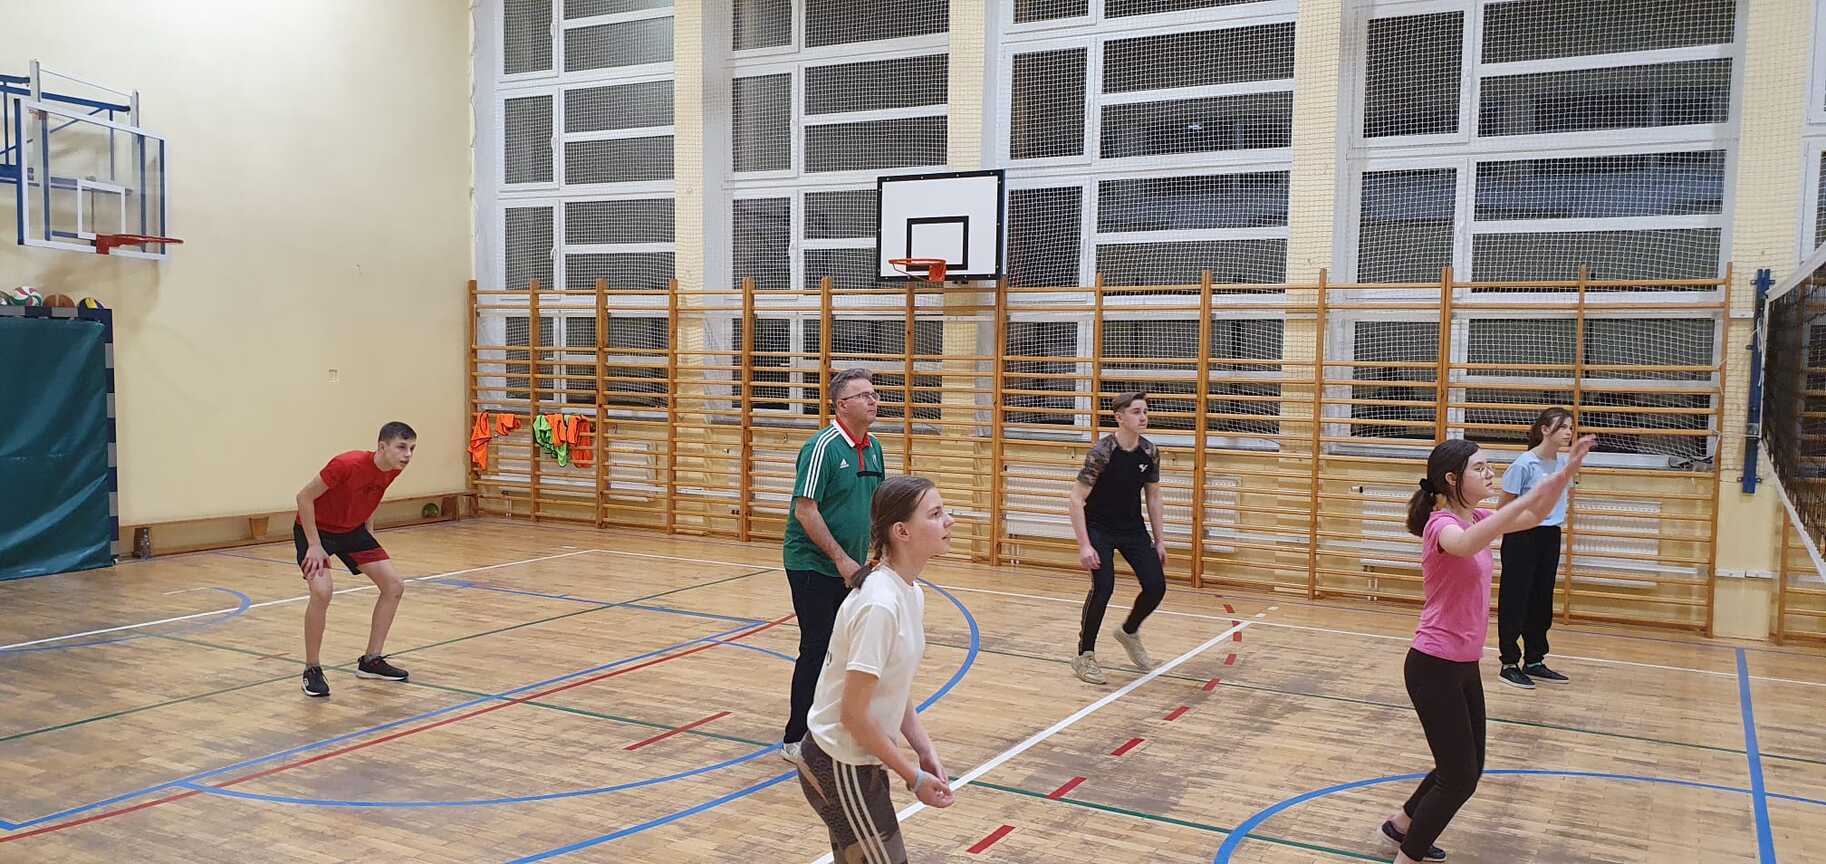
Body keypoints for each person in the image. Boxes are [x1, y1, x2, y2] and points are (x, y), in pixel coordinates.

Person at [1379, 433, 1594, 863]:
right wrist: (1525, 497)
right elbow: (1468, 543)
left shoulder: (1475, 515)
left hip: (1463, 664)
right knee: (1459, 777)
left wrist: (1562, 476)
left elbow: (1535, 516)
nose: (1490, 472)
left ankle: (1402, 824)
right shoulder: (1442, 525)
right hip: (1433, 664)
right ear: (1451, 478)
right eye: (1479, 468)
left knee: (1465, 765)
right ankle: (1409, 855)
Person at [797, 475, 955, 863]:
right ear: (902, 531)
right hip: (838, 763)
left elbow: (893, 686)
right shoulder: (879, 605)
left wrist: (924, 749)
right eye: (935, 514)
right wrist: (912, 777)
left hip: (859, 761)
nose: (949, 520)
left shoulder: (910, 593)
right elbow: (853, 715)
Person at [781, 368, 886, 763]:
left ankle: (835, 725)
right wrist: (841, 559)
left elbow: (875, 506)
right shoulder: (821, 447)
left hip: (854, 566)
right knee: (818, 647)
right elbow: (805, 510)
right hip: (813, 565)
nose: (873, 400)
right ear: (842, 404)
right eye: (864, 395)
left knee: (847, 650)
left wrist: (877, 554)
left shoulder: (874, 447)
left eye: (874, 393)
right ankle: (796, 738)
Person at [295, 421, 418, 697]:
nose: (407, 454)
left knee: (394, 586)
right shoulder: (346, 464)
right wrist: (314, 545)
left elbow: (372, 495)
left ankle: (371, 661)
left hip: (352, 530)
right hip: (316, 530)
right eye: (401, 447)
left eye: (411, 448)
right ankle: (312, 669)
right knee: (322, 592)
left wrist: (368, 532)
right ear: (382, 447)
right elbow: (303, 498)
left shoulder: (393, 468)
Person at [1068, 391, 1168, 685]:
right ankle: (1085, 655)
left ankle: (1129, 631)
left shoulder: (1149, 452)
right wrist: (1085, 545)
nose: (1143, 417)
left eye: (1145, 411)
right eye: (1136, 412)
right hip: (1099, 529)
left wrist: (1159, 539)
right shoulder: (1102, 452)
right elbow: (1076, 499)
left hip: (1132, 529)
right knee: (1104, 588)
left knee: (1156, 586)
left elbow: (1154, 496)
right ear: (1119, 417)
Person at [1496, 407, 1576, 690]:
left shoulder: (1563, 465)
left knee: (1541, 600)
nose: (1568, 432)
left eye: (1570, 427)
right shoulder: (1523, 464)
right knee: (1515, 598)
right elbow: (1503, 508)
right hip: (1521, 536)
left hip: (1549, 536)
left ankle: (1534, 659)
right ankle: (1509, 663)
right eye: (1562, 426)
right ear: (1544, 429)